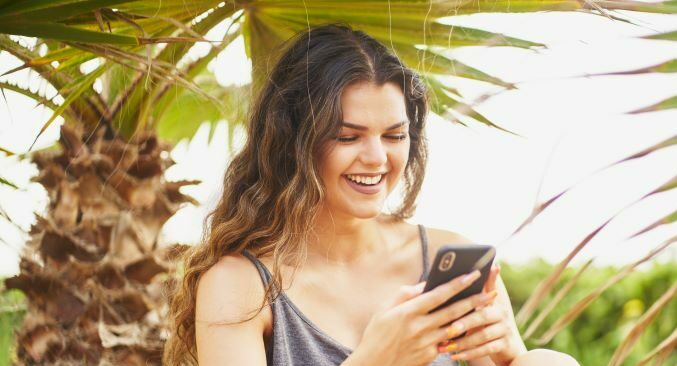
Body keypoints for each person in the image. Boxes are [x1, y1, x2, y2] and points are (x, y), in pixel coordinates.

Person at [163, 23, 579, 366]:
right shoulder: (239, 285)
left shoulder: (447, 255)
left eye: (395, 135)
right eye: (348, 136)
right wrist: (377, 359)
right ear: (293, 142)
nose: (377, 158)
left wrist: (513, 356)